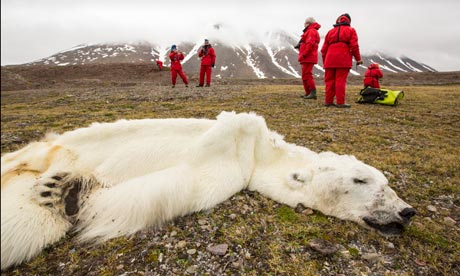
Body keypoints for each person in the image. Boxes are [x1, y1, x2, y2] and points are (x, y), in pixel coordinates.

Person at [321, 13, 363, 108]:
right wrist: (358, 59)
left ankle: (328, 101)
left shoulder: (330, 32)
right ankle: (340, 102)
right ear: (349, 21)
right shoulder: (351, 30)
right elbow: (354, 46)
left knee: (329, 81)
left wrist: (325, 62)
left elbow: (323, 50)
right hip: (343, 59)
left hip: (329, 59)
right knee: (340, 80)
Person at [297, 17, 321, 99]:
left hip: (308, 56)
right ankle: (308, 93)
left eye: (305, 23)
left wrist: (304, 54)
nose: (304, 24)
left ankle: (312, 93)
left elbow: (310, 44)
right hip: (307, 56)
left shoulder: (311, 31)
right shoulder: (311, 31)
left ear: (308, 23)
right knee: (305, 75)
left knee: (307, 74)